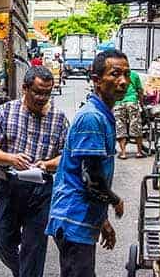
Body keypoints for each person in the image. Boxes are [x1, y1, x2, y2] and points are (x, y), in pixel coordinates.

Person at [46, 49, 128, 277]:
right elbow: (91, 179)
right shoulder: (92, 118)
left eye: (126, 75)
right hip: (73, 218)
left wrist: (101, 220)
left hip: (82, 218)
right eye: (115, 74)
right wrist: (115, 200)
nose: (123, 81)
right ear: (96, 80)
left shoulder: (102, 115)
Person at [0, 66, 69, 277]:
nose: (42, 98)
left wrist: (47, 164)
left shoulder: (58, 118)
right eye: (38, 92)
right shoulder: (5, 112)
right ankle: (22, 272)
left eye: (47, 93)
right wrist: (11, 158)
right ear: (24, 88)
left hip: (41, 192)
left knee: (35, 248)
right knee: (2, 241)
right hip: (9, 187)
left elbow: (67, 157)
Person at [114, 69, 146, 159]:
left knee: (120, 128)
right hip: (132, 102)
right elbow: (140, 90)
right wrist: (142, 103)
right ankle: (139, 152)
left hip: (119, 103)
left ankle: (123, 153)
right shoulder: (134, 75)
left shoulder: (116, 75)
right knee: (136, 126)